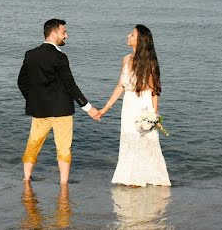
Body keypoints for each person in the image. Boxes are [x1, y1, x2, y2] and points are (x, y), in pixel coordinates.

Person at [18, 18, 100, 185]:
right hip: (62, 110)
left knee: (33, 144)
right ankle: (63, 184)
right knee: (63, 148)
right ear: (54, 33)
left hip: (39, 110)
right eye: (64, 32)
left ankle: (26, 179)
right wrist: (88, 107)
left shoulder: (30, 55)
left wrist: (34, 99)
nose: (66, 36)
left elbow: (22, 82)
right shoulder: (60, 57)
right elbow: (70, 85)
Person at [99, 24, 171, 186]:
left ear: (140, 40)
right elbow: (120, 86)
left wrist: (154, 115)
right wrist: (105, 108)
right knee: (129, 140)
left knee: (145, 140)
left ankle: (145, 178)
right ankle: (132, 178)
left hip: (143, 107)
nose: (128, 36)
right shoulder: (126, 59)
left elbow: (154, 91)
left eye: (132, 35)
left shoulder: (150, 62)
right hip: (128, 106)